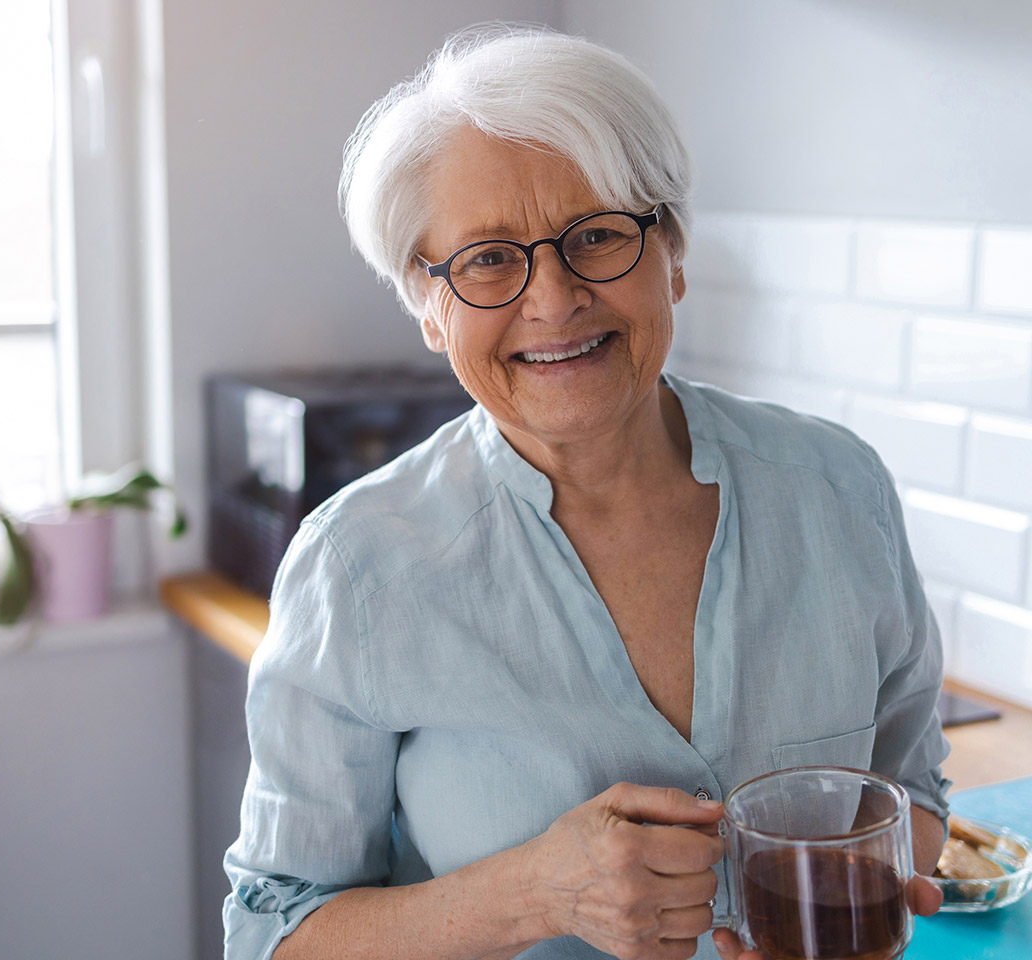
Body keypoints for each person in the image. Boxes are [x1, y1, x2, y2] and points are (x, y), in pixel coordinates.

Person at [223, 23, 949, 960]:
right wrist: (534, 893)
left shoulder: (840, 491)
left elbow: (911, 792)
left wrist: (864, 897)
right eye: (487, 258)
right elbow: (269, 932)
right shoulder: (357, 570)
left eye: (598, 235)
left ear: (673, 254)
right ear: (429, 303)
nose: (554, 298)